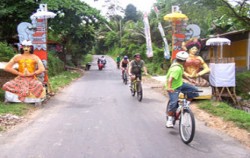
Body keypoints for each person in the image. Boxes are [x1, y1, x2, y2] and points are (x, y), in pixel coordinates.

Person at [165, 51, 199, 128]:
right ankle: (169, 120)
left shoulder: (179, 65)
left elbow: (182, 74)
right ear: (184, 60)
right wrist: (169, 88)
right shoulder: (176, 68)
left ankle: (186, 105)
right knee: (173, 103)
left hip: (180, 84)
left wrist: (190, 80)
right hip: (173, 87)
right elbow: (170, 79)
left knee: (194, 90)